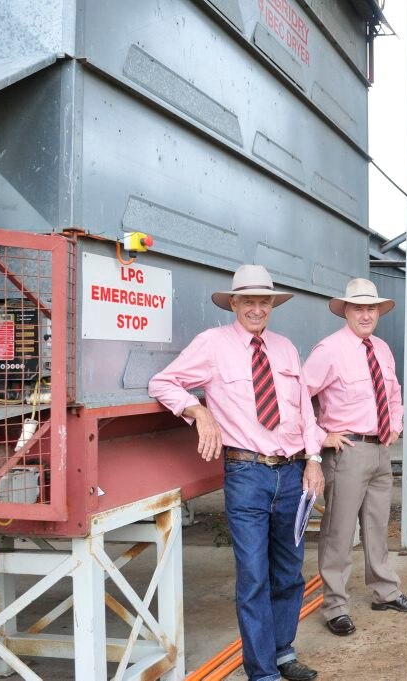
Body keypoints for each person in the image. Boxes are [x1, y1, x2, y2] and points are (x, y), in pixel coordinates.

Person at [149, 264, 323, 681]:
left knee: (288, 572)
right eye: (249, 301)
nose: (257, 309)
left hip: (293, 471)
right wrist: (198, 410)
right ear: (234, 304)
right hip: (247, 474)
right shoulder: (212, 344)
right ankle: (262, 673)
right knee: (254, 577)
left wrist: (314, 459)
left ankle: (283, 654)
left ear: (272, 306)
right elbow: (163, 382)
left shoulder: (285, 348)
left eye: (264, 301)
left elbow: (305, 410)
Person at [302, 278, 407, 635]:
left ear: (378, 312)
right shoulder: (328, 350)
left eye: (371, 308)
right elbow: (298, 399)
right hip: (347, 451)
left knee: (376, 526)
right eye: (359, 308)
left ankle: (385, 591)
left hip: (380, 448)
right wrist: (323, 436)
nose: (366, 314)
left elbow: (395, 392)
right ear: (347, 311)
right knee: (339, 532)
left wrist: (397, 425)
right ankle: (335, 606)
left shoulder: (382, 349)